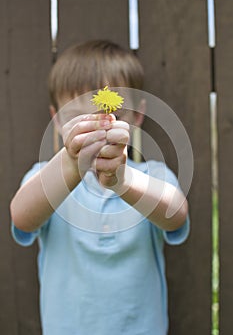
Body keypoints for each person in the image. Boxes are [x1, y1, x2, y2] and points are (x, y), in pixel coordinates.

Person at [10, 40, 190, 335]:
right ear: (57, 121)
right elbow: (21, 217)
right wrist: (71, 164)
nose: (97, 131)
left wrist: (123, 182)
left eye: (113, 117)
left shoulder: (152, 176)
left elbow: (176, 214)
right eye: (79, 121)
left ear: (137, 117)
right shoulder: (45, 177)